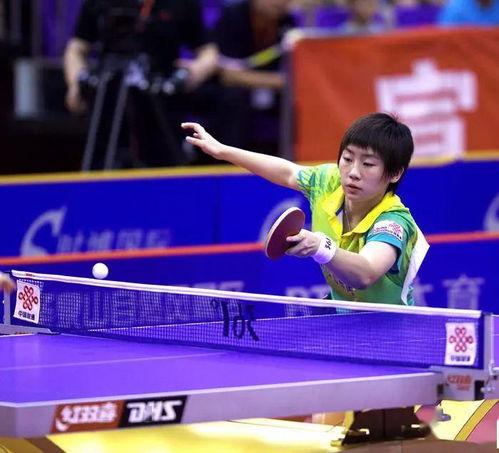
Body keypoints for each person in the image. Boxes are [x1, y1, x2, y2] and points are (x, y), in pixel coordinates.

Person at [182, 112, 428, 306]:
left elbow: (366, 273)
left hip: (390, 330)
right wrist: (223, 151)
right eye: (347, 158)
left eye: (368, 164)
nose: (353, 172)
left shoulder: (393, 221)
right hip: (341, 321)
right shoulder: (328, 183)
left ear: (395, 174)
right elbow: (287, 172)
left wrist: (320, 246)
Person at [64, 0, 219, 168]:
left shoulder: (181, 4)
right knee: (101, 161)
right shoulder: (100, 3)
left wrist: (192, 73)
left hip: (163, 100)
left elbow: (209, 53)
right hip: (108, 102)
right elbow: (76, 49)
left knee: (164, 162)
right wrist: (75, 84)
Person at [213, 0, 297, 153]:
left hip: (269, 90)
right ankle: (230, 159)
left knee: (296, 101)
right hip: (230, 90)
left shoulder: (288, 23)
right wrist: (281, 82)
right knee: (233, 98)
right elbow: (227, 75)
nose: (281, 2)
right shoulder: (233, 16)